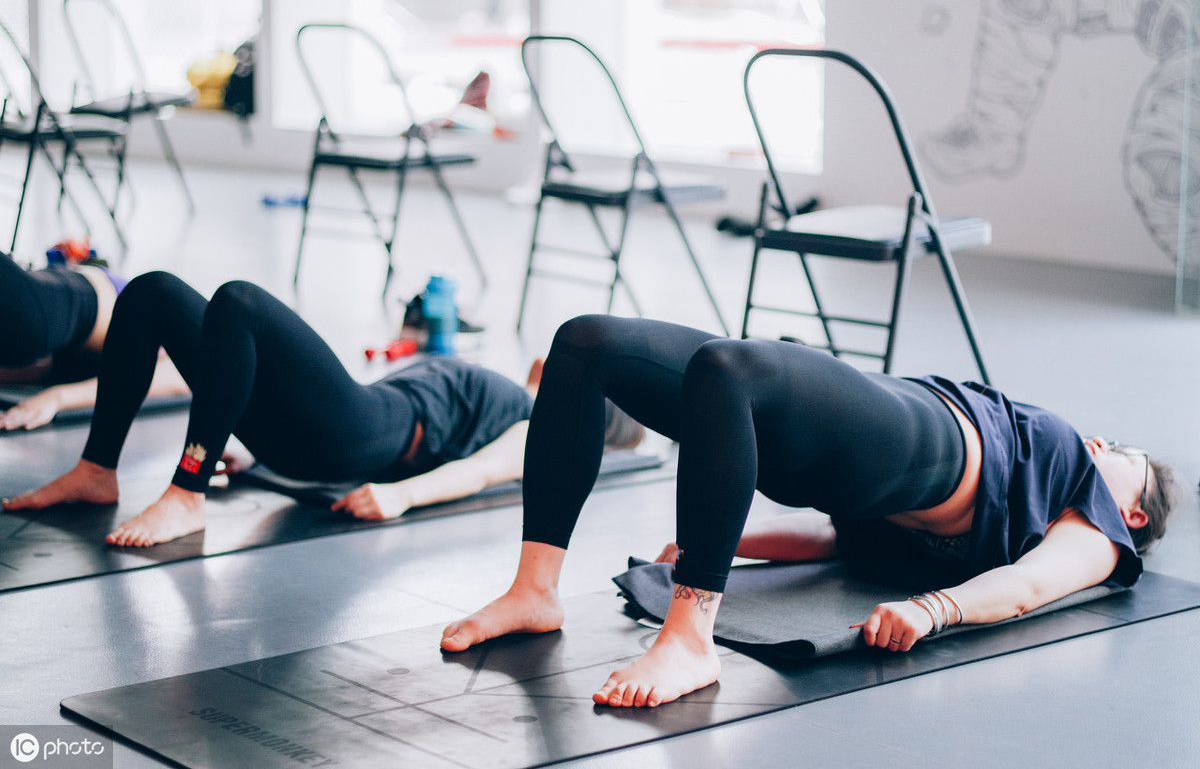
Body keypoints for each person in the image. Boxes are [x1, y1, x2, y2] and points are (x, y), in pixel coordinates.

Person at [440, 314, 1179, 708]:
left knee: (729, 368)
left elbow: (1027, 587)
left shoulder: (1100, 524)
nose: (1104, 441)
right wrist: (729, 543)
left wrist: (933, 610)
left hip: (922, 449)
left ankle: (690, 640)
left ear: (1136, 511)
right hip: (861, 444)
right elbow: (832, 542)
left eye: (1126, 453)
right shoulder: (1058, 469)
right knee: (583, 345)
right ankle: (534, 591)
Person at [2, 273, 642, 547]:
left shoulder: (543, 424)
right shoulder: (509, 383)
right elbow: (222, 370)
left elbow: (484, 471)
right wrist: (66, 395)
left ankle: (186, 493)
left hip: (361, 436)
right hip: (314, 431)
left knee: (241, 302)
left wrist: (403, 499)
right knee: (150, 293)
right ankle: (97, 469)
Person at [0, 250, 187, 430]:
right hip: (73, 302)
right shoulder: (180, 322)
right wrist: (58, 398)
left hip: (51, 322)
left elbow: (42, 369)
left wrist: (56, 398)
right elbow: (176, 378)